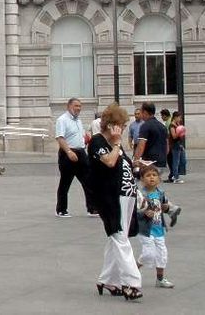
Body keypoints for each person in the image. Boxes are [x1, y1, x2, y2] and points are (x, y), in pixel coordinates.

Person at [88, 104, 142, 301]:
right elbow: (109, 162)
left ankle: (108, 279)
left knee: (117, 238)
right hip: (110, 198)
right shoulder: (97, 142)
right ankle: (132, 283)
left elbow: (123, 165)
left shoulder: (114, 144)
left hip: (126, 195)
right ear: (112, 126)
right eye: (122, 125)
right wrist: (118, 143)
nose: (123, 129)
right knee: (120, 238)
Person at [54, 97, 96, 218]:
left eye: (79, 106)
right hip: (68, 152)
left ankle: (92, 208)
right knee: (65, 182)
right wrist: (68, 151)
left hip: (81, 152)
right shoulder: (62, 120)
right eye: (76, 106)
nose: (78, 108)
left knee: (88, 180)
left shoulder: (78, 120)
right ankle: (61, 209)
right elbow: (60, 137)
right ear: (69, 106)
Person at [136, 165, 175, 288]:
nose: (151, 178)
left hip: (159, 229)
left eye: (154, 175)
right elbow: (134, 212)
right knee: (148, 254)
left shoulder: (160, 193)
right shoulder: (141, 195)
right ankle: (132, 271)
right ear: (142, 179)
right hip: (146, 230)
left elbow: (165, 206)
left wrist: (167, 208)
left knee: (162, 255)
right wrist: (144, 213)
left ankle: (160, 279)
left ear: (159, 179)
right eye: (148, 176)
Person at [132, 102, 168, 179]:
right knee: (154, 184)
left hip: (149, 163)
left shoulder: (145, 126)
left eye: (141, 112)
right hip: (162, 162)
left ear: (145, 112)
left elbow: (141, 145)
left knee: (146, 186)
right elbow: (167, 145)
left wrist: (136, 160)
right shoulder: (162, 126)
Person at [167, 112, 186, 183]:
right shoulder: (172, 125)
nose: (180, 119)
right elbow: (174, 136)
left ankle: (175, 174)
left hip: (179, 145)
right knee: (176, 162)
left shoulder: (178, 124)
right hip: (174, 145)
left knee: (183, 161)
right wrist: (179, 132)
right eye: (179, 117)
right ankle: (176, 177)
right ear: (175, 117)